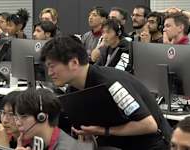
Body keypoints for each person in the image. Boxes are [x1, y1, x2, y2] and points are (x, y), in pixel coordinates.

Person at [40, 35, 172, 150]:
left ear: (74, 63)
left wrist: (103, 131)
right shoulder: (73, 90)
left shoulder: (111, 83)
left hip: (154, 145)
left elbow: (149, 125)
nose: (50, 73)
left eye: (52, 66)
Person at [14, 89, 95, 150]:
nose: (18, 123)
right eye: (17, 117)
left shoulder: (67, 147)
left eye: (24, 117)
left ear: (42, 117)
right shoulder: (36, 141)